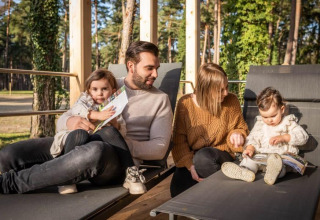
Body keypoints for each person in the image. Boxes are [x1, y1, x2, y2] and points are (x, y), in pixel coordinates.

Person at [0, 41, 173, 195]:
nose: (156, 74)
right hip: (78, 140)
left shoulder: (160, 99)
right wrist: (72, 121)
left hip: (114, 159)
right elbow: (65, 118)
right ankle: (61, 172)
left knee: (94, 150)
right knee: (10, 154)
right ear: (131, 66)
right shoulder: (106, 83)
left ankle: (11, 183)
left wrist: (118, 141)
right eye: (149, 68)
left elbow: (158, 149)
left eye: (156, 68)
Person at [170, 63, 249, 197]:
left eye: (227, 87)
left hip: (221, 156)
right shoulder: (185, 104)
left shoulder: (231, 100)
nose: (226, 93)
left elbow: (240, 128)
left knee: (204, 158)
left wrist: (237, 134)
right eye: (220, 90)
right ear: (205, 90)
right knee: (178, 190)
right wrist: (190, 165)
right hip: (194, 158)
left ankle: (218, 199)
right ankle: (218, 194)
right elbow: (179, 141)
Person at [52, 69, 126, 194]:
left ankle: (130, 171)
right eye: (95, 89)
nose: (100, 94)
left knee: (110, 132)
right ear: (89, 91)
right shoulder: (85, 101)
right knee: (79, 134)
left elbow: (123, 133)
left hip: (97, 148)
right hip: (77, 140)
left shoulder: (114, 108)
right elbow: (77, 109)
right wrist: (96, 115)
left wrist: (114, 123)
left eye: (104, 89)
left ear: (113, 92)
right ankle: (66, 178)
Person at [221, 87, 309, 185]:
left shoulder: (288, 122)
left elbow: (303, 137)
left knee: (281, 166)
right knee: (249, 160)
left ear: (282, 109)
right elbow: (253, 137)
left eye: (273, 116)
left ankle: (273, 173)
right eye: (265, 117)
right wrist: (250, 148)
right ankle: (244, 171)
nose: (269, 120)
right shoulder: (260, 124)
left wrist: (284, 137)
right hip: (261, 157)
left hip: (279, 157)